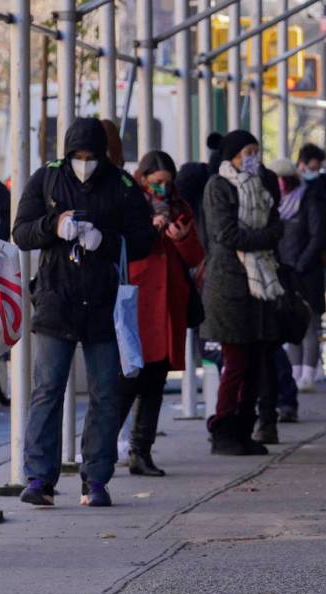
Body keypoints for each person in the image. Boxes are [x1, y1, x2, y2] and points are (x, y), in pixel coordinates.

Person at [12, 117, 154, 507]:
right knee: (47, 391)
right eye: (78, 155)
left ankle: (96, 479)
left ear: (103, 155)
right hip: (56, 300)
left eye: (91, 156)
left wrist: (104, 241)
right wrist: (52, 226)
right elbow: (21, 231)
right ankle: (39, 477)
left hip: (105, 306)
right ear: (67, 153)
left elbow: (144, 240)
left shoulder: (122, 186)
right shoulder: (47, 178)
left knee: (106, 393)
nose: (85, 162)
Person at [201, 130, 283, 456]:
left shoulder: (263, 184)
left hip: (261, 286)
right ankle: (223, 430)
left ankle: (244, 429)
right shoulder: (217, 186)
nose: (252, 157)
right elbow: (227, 233)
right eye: (246, 151)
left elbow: (278, 226)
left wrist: (263, 235)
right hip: (230, 287)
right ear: (232, 155)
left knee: (256, 363)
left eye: (255, 151)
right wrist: (264, 237)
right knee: (235, 362)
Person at [122, 151, 203, 476]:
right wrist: (149, 229)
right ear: (143, 179)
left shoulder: (181, 208)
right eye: (157, 183)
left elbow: (196, 255)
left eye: (167, 183)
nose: (162, 189)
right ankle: (99, 452)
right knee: (127, 382)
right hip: (139, 304)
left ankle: (141, 451)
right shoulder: (132, 206)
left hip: (168, 305)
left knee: (155, 382)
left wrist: (181, 239)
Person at [271, 157, 326, 393]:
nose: (280, 184)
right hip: (284, 273)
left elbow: (317, 236)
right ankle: (295, 373)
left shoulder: (308, 200)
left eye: (283, 178)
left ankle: (308, 373)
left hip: (307, 273)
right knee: (291, 325)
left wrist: (301, 263)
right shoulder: (274, 204)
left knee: (310, 325)